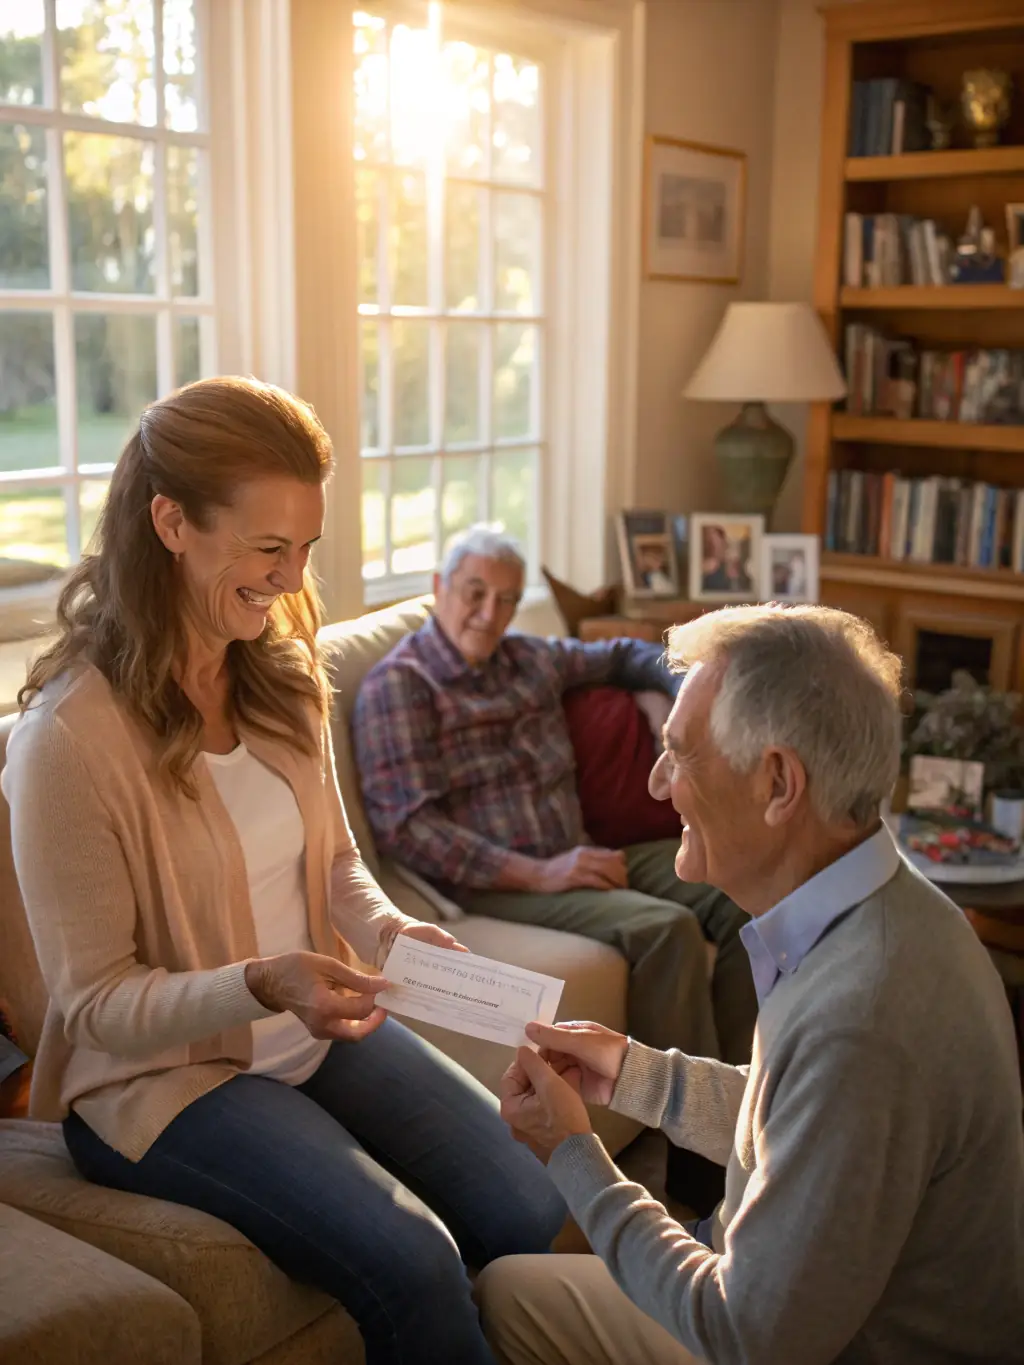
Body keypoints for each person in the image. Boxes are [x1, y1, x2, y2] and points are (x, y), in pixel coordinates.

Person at [1, 379, 565, 1365]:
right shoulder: (67, 742)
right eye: (269, 548)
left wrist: (388, 931)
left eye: (304, 546)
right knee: (415, 1258)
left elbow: (337, 863)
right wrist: (264, 981)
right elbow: (90, 1006)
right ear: (170, 522)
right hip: (164, 1084)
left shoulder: (283, 671)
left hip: (314, 1028)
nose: (292, 576)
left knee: (527, 1193)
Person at [479, 603, 1024, 1365]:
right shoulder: (893, 910)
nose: (658, 781)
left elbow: (746, 1336)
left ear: (777, 783)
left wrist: (575, 1155)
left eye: (678, 752)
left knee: (501, 1296)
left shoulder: (859, 1018)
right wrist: (640, 1076)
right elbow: (805, 1121)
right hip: (806, 1304)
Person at [352, 525, 757, 1073]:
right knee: (665, 930)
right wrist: (540, 874)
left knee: (737, 891)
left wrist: (676, 698)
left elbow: (622, 655)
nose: (489, 614)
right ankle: (695, 1141)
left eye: (506, 600)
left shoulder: (529, 658)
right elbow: (410, 828)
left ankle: (743, 1099)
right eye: (475, 593)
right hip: (495, 881)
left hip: (580, 851)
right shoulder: (401, 686)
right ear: (438, 588)